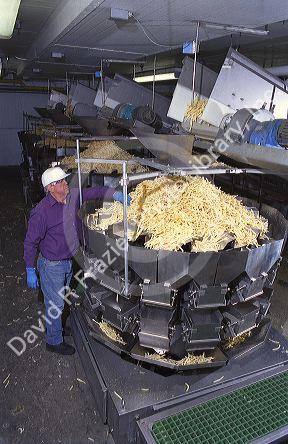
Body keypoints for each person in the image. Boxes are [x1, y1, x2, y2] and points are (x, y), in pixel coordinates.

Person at [24, 167, 130, 356]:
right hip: (51, 265)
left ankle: (56, 328)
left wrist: (115, 194)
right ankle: (53, 341)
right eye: (61, 182)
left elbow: (94, 192)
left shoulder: (72, 196)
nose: (66, 183)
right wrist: (30, 268)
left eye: (65, 180)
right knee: (55, 304)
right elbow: (30, 242)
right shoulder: (41, 212)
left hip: (67, 261)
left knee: (61, 299)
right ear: (50, 188)